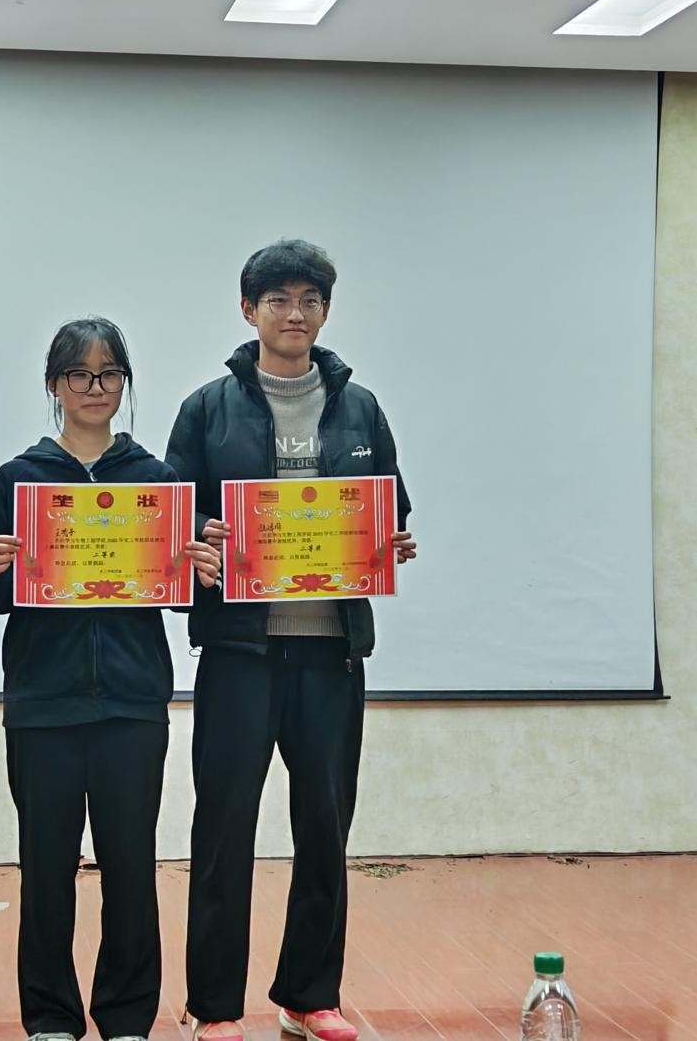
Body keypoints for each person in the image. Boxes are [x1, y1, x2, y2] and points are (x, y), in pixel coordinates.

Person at [165, 240, 415, 1041]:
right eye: (277, 300)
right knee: (223, 829)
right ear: (249, 310)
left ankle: (310, 996)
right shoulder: (207, 409)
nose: (294, 314)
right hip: (239, 654)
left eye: (309, 300)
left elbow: (391, 508)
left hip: (329, 652)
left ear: (326, 311)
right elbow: (171, 525)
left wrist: (391, 541)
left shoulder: (361, 408)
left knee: (325, 828)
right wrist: (199, 544)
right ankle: (214, 1008)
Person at [0, 317, 221, 1041]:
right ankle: (50, 1016)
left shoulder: (157, 481)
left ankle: (127, 1015)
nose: (95, 387)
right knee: (46, 869)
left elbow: (179, 595)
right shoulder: (18, 479)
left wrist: (202, 572)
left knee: (131, 867)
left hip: (133, 703)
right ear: (54, 384)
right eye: (79, 374)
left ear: (124, 383)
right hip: (42, 702)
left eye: (110, 374)